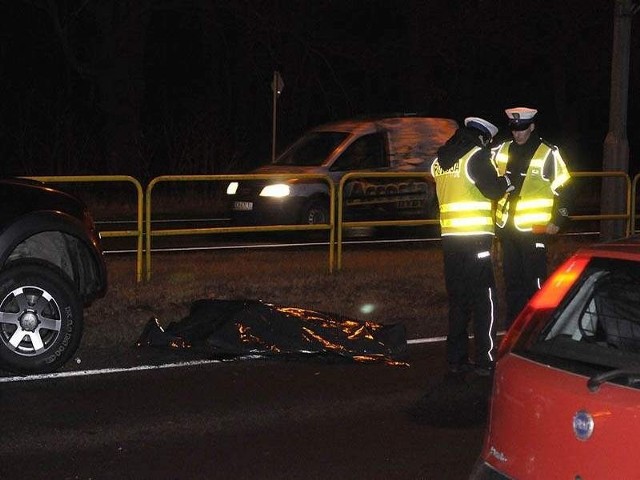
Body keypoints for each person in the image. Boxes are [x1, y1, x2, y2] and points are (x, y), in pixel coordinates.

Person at [431, 117, 513, 375]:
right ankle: (486, 360)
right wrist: (507, 182)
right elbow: (492, 190)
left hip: (450, 241)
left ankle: (455, 360)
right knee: (485, 299)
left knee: (459, 300)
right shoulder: (476, 156)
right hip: (476, 239)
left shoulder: (440, 161)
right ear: (483, 138)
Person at [493, 107, 571, 328]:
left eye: (522, 129)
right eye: (514, 129)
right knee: (512, 282)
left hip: (535, 229)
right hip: (507, 229)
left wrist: (558, 220)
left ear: (532, 127)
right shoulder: (502, 150)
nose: (518, 134)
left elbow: (566, 189)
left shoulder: (547, 153)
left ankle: (538, 327)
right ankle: (515, 327)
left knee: (535, 282)